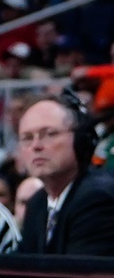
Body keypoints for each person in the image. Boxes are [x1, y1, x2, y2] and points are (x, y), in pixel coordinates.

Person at [16, 91, 114, 256]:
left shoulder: (96, 198)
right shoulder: (37, 203)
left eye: (49, 134)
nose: (36, 146)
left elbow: (79, 277)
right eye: (27, 138)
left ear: (81, 139)